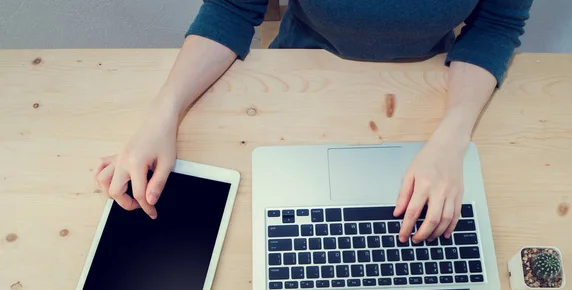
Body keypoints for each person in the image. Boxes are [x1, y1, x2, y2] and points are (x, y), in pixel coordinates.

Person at [94, 0, 533, 243]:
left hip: (433, 85)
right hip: (297, 81)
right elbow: (231, 8)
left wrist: (454, 136)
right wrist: (163, 112)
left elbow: (496, 24)